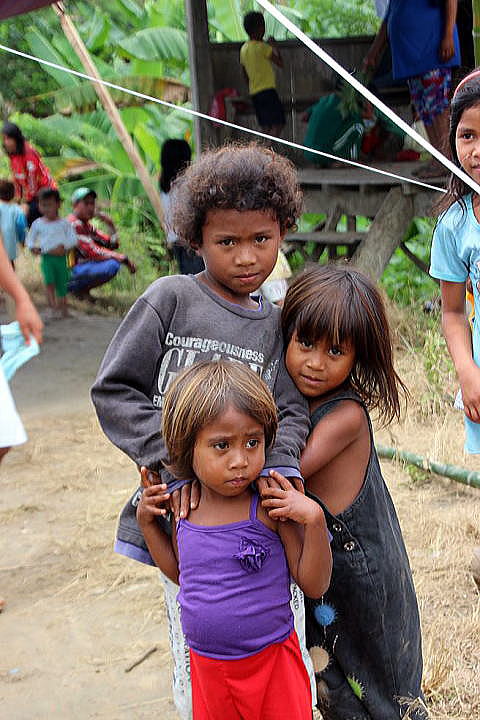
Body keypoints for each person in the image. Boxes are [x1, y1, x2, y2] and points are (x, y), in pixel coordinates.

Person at [91, 143, 311, 719]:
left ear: (283, 231)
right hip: (185, 519)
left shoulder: (276, 325)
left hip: (259, 529)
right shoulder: (169, 300)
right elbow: (114, 391)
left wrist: (275, 468)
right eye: (226, 242)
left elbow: (291, 412)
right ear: (196, 239)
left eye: (262, 239)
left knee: (276, 655)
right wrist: (180, 462)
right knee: (197, 657)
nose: (246, 257)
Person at [137, 360, 332, 720]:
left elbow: (314, 584)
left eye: (252, 442)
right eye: (222, 445)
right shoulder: (186, 507)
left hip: (272, 666)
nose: (240, 460)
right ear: (186, 447)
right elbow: (183, 575)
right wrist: (147, 524)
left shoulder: (269, 506)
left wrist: (315, 520)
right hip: (209, 669)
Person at [282, 266, 424, 720]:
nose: (315, 362)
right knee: (335, 691)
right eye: (306, 343)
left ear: (358, 355)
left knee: (385, 690)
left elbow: (288, 469)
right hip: (323, 579)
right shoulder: (294, 400)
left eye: (335, 351)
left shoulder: (345, 416)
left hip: (363, 577)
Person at [364, 0, 460, 179]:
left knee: (437, 105)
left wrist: (447, 36)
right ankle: (438, 159)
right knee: (424, 109)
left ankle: (447, 160)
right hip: (411, 57)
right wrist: (374, 51)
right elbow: (390, 15)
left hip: (432, 50)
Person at [67, 187, 136, 302]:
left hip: (75, 269)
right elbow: (92, 251)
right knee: (112, 265)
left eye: (92, 204)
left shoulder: (87, 226)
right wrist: (122, 258)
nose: (91, 207)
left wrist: (110, 223)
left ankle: (80, 291)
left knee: (112, 263)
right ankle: (73, 290)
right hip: (66, 270)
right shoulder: (73, 224)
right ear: (75, 205)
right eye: (86, 203)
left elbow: (112, 244)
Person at [26, 188, 77, 319]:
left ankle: (64, 309)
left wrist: (65, 248)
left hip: (61, 259)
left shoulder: (64, 223)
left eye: (49, 205)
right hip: (47, 258)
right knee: (49, 283)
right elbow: (30, 239)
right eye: (43, 205)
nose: (46, 208)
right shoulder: (38, 223)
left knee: (62, 284)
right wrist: (33, 248)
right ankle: (52, 308)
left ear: (58, 204)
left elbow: (73, 239)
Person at [159, 139, 204, 275]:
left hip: (175, 239)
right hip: (188, 241)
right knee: (197, 279)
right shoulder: (186, 184)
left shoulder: (164, 183)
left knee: (188, 278)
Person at [2, 121, 57, 225]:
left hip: (45, 194)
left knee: (22, 215)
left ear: (16, 138)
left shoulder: (29, 155)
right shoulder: (13, 155)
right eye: (4, 139)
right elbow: (17, 179)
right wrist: (16, 200)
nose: (6, 142)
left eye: (9, 139)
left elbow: (33, 184)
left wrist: (25, 204)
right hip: (32, 195)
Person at [240, 11, 285, 136]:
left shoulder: (243, 49)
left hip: (255, 93)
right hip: (268, 91)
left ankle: (265, 145)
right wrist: (274, 46)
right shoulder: (263, 47)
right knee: (278, 123)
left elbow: (244, 73)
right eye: (263, 26)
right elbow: (280, 63)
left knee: (266, 127)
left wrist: (251, 87)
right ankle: (268, 146)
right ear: (259, 28)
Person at [0, 179, 27, 269]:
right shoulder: (17, 210)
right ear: (13, 194)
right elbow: (21, 226)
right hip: (8, 246)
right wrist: (22, 240)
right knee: (9, 266)